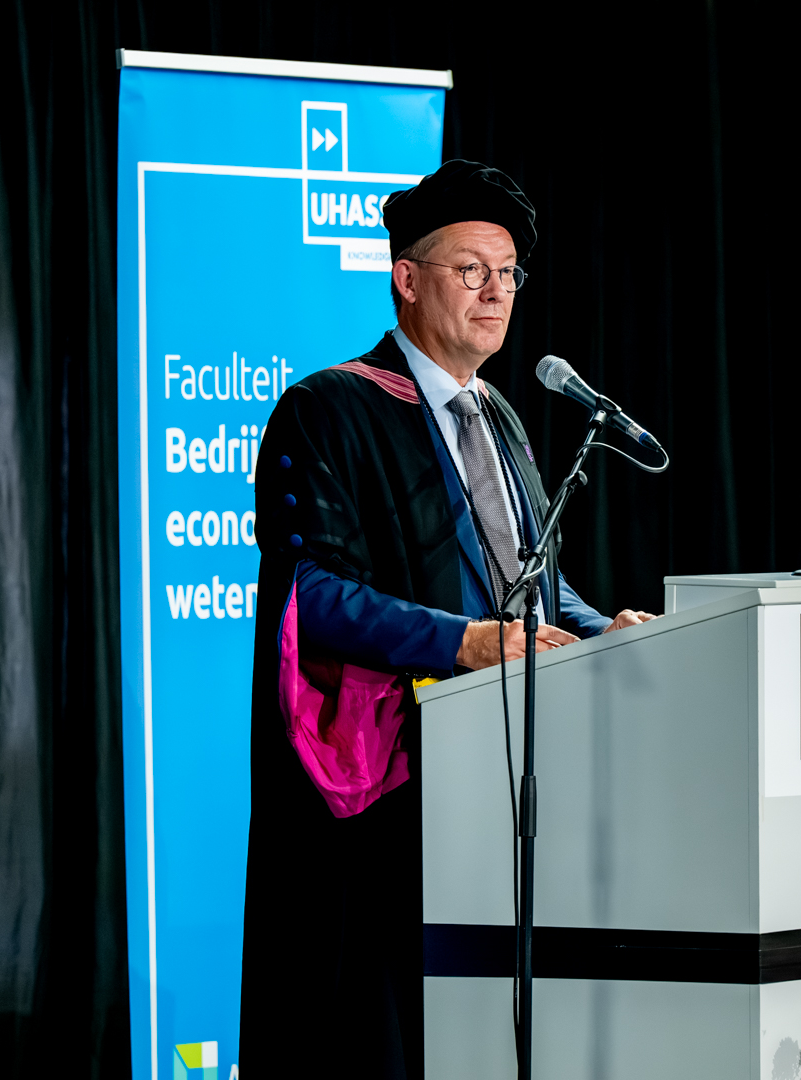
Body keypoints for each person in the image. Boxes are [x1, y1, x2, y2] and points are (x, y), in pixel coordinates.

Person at [240, 160, 654, 1077]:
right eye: (471, 270)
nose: (495, 292)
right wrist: (462, 643)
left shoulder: (499, 415)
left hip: (500, 784)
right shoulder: (329, 408)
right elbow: (313, 595)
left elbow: (529, 584)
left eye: (507, 274)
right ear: (407, 277)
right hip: (389, 789)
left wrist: (599, 629)